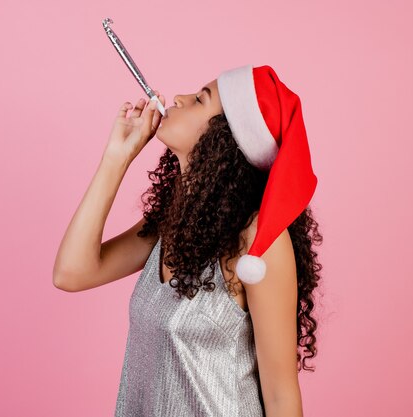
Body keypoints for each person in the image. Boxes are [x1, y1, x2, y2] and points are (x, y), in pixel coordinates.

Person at [53, 64, 323, 417]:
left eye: (199, 100)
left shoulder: (256, 243)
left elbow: (281, 398)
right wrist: (116, 158)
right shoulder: (170, 226)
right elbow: (71, 273)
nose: (179, 98)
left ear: (226, 139)